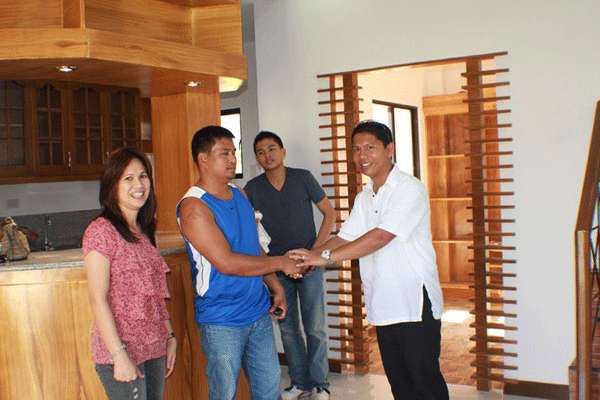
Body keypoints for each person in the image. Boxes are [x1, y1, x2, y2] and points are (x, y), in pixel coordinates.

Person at [291, 120, 450, 400]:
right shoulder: (364, 196)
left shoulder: (409, 188)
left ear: (389, 149)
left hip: (414, 303)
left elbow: (380, 237)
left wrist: (325, 258)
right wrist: (311, 257)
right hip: (383, 303)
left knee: (426, 386)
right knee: (401, 386)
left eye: (369, 148)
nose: (361, 155)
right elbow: (346, 237)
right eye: (356, 149)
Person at [176, 125, 307, 400]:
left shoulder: (239, 194)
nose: (232, 159)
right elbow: (227, 263)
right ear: (203, 159)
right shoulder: (193, 206)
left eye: (233, 152)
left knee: (269, 390)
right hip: (222, 319)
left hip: (257, 311)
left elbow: (254, 247)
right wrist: (281, 263)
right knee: (224, 393)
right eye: (224, 153)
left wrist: (276, 287)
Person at [244, 131, 336, 400]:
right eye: (261, 152)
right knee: (287, 329)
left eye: (271, 148)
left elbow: (330, 213)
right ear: (257, 158)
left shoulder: (303, 178)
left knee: (315, 327)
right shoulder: (252, 188)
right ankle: (300, 383)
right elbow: (248, 227)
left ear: (282, 152)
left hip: (309, 266)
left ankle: (320, 384)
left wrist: (315, 253)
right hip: (277, 268)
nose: (267, 155)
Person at [83, 147, 177, 400]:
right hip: (121, 349)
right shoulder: (101, 231)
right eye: (128, 178)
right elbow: (98, 298)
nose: (139, 184)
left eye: (143, 176)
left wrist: (169, 335)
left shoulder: (144, 230)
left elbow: (154, 294)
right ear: (112, 185)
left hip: (154, 344)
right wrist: (119, 355)